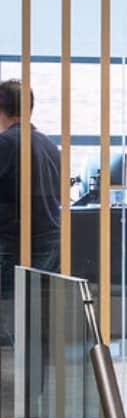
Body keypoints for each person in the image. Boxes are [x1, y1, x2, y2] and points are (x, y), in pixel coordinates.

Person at [0, 79, 62, 293]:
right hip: (50, 245)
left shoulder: (6, 143)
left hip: (15, 245)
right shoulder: (49, 145)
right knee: (36, 307)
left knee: (8, 306)